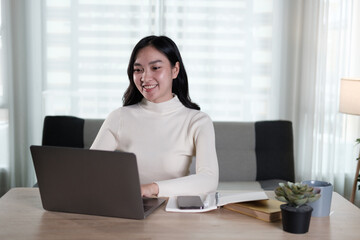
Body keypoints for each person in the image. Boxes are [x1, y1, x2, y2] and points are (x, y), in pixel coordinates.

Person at [91, 35, 218, 197]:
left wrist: (150, 189)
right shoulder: (119, 117)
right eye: (138, 70)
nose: (145, 78)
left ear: (175, 70)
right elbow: (90, 171)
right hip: (128, 210)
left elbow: (208, 180)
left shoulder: (197, 121)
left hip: (174, 212)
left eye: (155, 68)